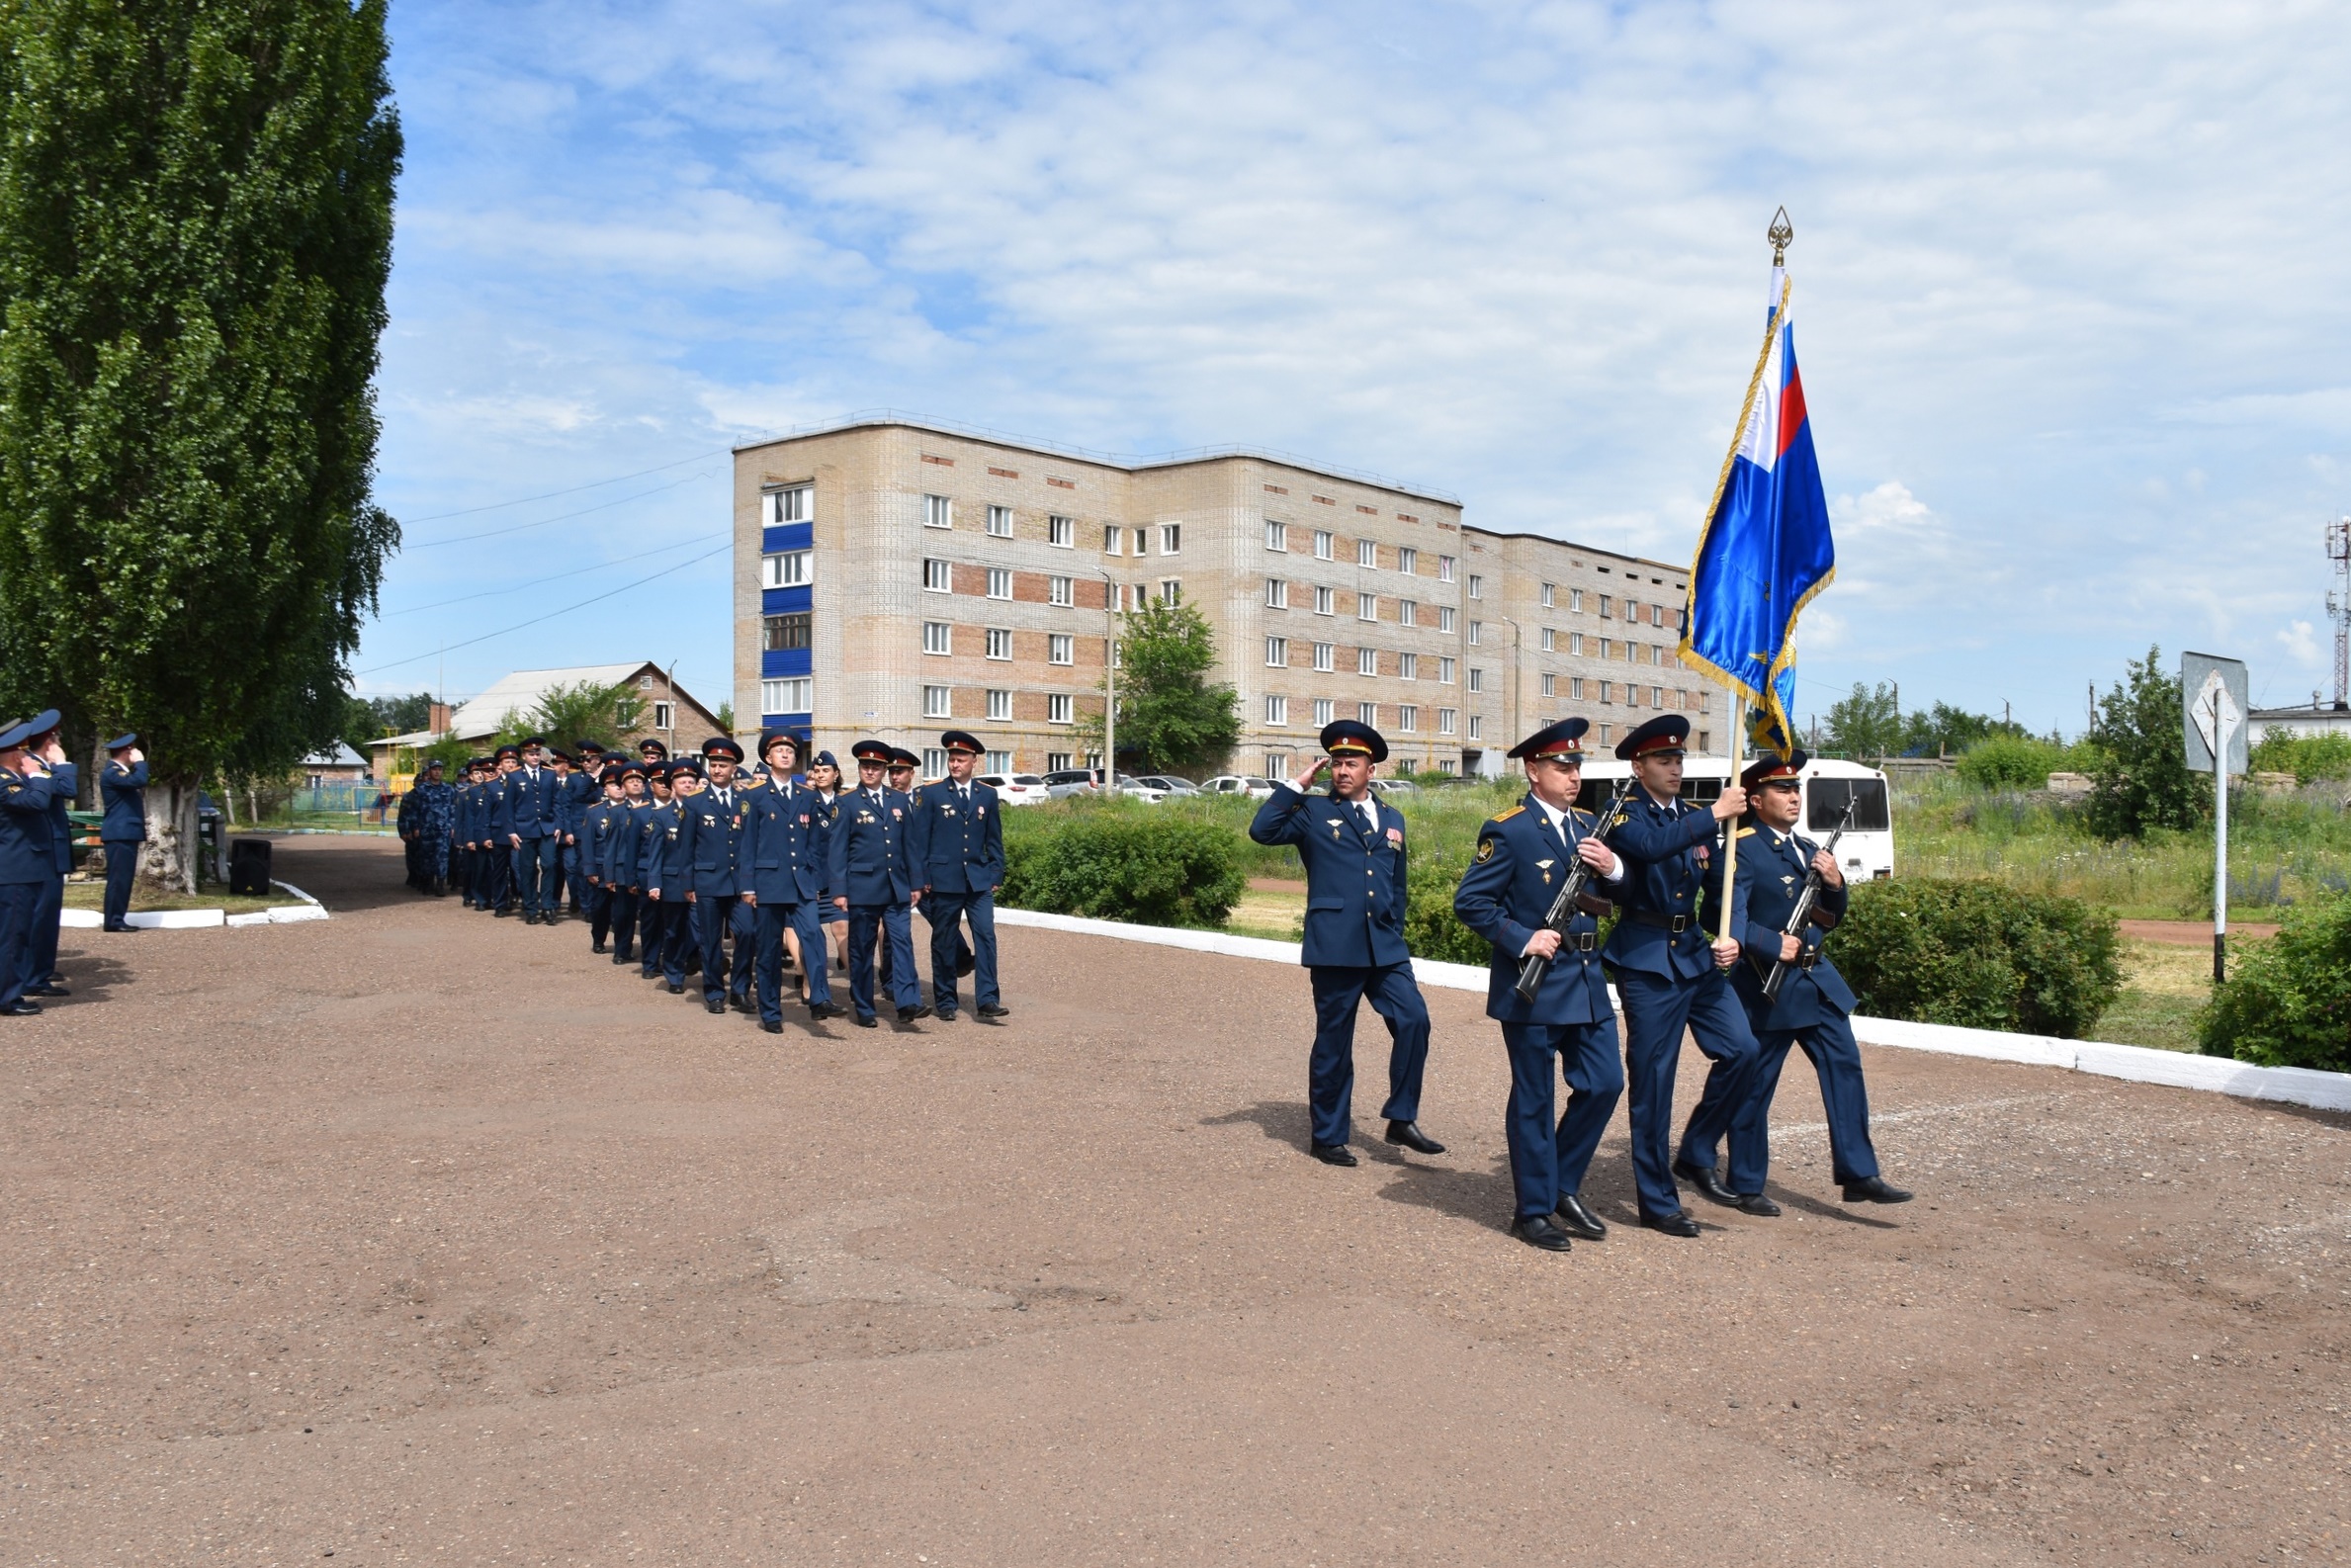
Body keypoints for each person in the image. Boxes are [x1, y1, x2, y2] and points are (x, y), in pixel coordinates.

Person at [1690, 751, 1912, 1211]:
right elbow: (1720, 916)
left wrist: (1835, 884)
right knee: (1756, 1085)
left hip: (1816, 982)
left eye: (1796, 789)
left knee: (1845, 1068)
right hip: (1766, 986)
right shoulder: (1740, 848)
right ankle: (1747, 1182)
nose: (1794, 797)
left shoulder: (1810, 849)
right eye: (1783, 790)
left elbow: (1829, 918)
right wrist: (1773, 945)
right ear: (1755, 799)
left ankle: (1858, 1172)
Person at [1452, 719, 1627, 1252]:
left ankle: (1559, 1185)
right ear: (1534, 771)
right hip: (1533, 986)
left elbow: (1617, 892)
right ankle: (1531, 1211)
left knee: (1604, 1084)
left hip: (1586, 982)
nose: (1573, 776)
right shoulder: (1509, 829)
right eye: (1561, 766)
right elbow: (1472, 903)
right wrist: (1522, 938)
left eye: (1577, 766)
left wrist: (1615, 867)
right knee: (1534, 1099)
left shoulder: (1591, 826)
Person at [1247, 720, 1441, 1167]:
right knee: (1335, 1042)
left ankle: (1401, 1116)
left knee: (1415, 1019)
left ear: (1371, 769)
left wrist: (1396, 926)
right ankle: (1328, 1135)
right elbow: (1263, 831)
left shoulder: (1393, 818)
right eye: (1336, 763)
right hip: (1336, 944)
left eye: (1351, 763)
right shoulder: (1313, 813)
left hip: (1384, 945)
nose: (1341, 770)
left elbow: (1398, 883)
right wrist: (1295, 787)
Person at [1599, 714, 1760, 1238]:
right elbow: (1648, 849)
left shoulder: (1696, 818)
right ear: (1638, 765)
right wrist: (1714, 812)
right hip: (1646, 958)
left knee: (1742, 1050)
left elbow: (1723, 885)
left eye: (1679, 760)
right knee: (1654, 1082)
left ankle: (1694, 1149)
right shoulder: (1623, 814)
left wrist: (1729, 932)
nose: (1675, 768)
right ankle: (1657, 1201)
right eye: (1664, 760)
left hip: (1694, 953)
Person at [740, 730, 843, 1031]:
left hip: (803, 882)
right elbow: (748, 843)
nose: (786, 754)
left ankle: (820, 998)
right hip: (769, 883)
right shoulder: (754, 796)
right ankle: (771, 1012)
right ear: (768, 758)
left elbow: (814, 842)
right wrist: (748, 885)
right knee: (770, 949)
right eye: (779, 750)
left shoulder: (807, 796)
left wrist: (814, 876)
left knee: (813, 936)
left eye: (790, 751)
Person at [908, 730, 1007, 1021]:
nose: (955, 764)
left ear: (973, 761)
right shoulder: (932, 793)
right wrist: (923, 875)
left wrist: (996, 873)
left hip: (978, 880)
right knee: (944, 940)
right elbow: (920, 839)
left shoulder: (987, 795)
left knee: (986, 937)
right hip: (943, 879)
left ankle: (988, 999)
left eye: (961, 759)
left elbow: (994, 839)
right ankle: (946, 1000)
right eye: (951, 759)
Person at [829, 740, 928, 1027]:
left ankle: (908, 1003)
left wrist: (916, 882)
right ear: (859, 768)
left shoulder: (898, 801)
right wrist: (838, 890)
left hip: (896, 886)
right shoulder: (846, 802)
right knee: (862, 948)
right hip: (862, 887)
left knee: (902, 943)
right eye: (865, 766)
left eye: (875, 767)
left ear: (885, 770)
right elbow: (837, 851)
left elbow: (910, 844)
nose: (870, 771)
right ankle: (864, 1006)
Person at [679, 737, 753, 1016]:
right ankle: (714, 991)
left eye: (723, 764)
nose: (717, 769)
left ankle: (741, 989)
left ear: (734, 768)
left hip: (739, 883)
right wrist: (688, 883)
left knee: (748, 932)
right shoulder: (695, 802)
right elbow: (685, 846)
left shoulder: (745, 800)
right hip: (707, 881)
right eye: (713, 764)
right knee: (709, 940)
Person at [0, 718, 59, 1015]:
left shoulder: (11, 780)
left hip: (21, 868)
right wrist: (37, 775)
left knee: (17, 934)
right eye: (23, 752)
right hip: (15, 870)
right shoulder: (5, 783)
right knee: (13, 937)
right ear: (14, 755)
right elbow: (36, 803)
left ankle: (13, 989)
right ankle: (8, 998)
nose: (27, 757)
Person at [19, 712, 72, 1000]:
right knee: (42, 915)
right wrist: (61, 763)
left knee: (47, 914)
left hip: (50, 847)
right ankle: (34, 976)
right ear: (50, 740)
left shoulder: (40, 766)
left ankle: (40, 969)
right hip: (44, 850)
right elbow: (67, 788)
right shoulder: (34, 768)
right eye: (56, 737)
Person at [640, 762, 694, 992]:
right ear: (672, 786)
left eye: (691, 781)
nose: (688, 785)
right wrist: (654, 883)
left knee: (699, 930)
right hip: (672, 881)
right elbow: (656, 852)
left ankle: (695, 960)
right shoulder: (661, 815)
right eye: (682, 781)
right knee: (673, 930)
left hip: (700, 881)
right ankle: (674, 976)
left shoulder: (704, 811)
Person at [96, 734, 149, 933]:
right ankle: (114, 920)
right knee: (119, 879)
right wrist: (141, 763)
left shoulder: (121, 773)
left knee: (123, 878)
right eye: (132, 749)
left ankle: (117, 917)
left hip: (125, 832)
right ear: (128, 751)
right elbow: (140, 780)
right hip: (119, 833)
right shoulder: (112, 772)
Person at [505, 738, 562, 923]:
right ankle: (530, 908)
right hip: (524, 829)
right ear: (524, 756)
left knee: (549, 865)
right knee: (528, 870)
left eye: (537, 753)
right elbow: (509, 806)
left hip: (547, 828)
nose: (535, 757)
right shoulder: (514, 776)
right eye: (531, 754)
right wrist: (512, 831)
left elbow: (557, 802)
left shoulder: (549, 774)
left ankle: (547, 907)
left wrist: (558, 825)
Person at [806, 750, 850, 977]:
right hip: (813, 880)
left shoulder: (846, 802)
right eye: (817, 770)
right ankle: (810, 983)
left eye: (826, 770)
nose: (821, 775)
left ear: (836, 774)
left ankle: (858, 984)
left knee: (842, 928)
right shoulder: (805, 802)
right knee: (811, 934)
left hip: (837, 881)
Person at [604, 762, 652, 966]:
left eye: (639, 781)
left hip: (645, 869)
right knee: (624, 913)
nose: (635, 784)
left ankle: (650, 952)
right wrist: (610, 875)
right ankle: (622, 949)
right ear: (623, 786)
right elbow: (611, 845)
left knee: (648, 914)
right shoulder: (617, 812)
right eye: (631, 781)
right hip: (623, 868)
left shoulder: (652, 807)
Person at [578, 764, 624, 952]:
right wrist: (589, 869)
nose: (618, 788)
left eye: (621, 784)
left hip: (623, 868)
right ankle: (599, 939)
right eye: (613, 784)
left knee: (623, 911)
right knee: (600, 908)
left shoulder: (635, 809)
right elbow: (587, 843)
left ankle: (623, 945)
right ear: (605, 788)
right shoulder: (595, 811)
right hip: (601, 868)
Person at [412, 757, 455, 897]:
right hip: (426, 829)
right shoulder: (421, 789)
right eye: (434, 769)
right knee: (426, 857)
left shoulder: (449, 789)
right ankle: (428, 883)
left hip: (443, 829)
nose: (437, 772)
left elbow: (453, 809)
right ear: (429, 771)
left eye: (439, 769)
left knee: (442, 857)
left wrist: (453, 826)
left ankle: (440, 884)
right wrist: (415, 827)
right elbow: (415, 810)